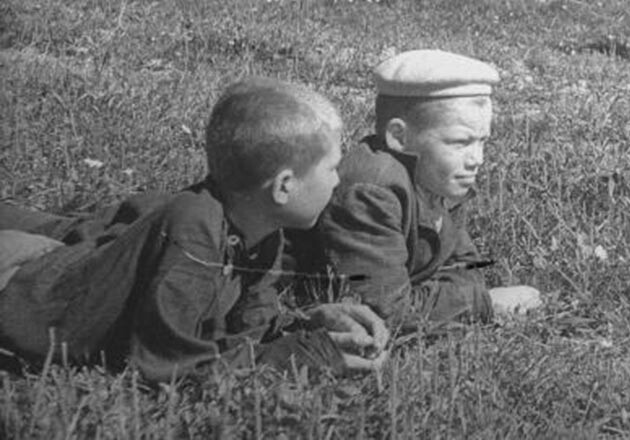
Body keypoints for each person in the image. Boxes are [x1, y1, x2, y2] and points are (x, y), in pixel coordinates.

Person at [0, 77, 389, 382]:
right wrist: (309, 355)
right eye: (332, 168)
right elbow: (169, 368)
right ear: (284, 186)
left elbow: (244, 330)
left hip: (45, 258)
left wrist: (311, 321)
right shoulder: (195, 229)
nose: (339, 181)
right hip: (16, 285)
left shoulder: (261, 225)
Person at [289, 49, 540, 328]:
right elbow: (386, 310)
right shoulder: (371, 192)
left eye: (482, 142)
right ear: (399, 137)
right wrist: (484, 303)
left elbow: (468, 266)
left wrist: (433, 293)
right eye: (460, 143)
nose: (476, 159)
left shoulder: (435, 176)